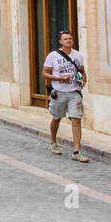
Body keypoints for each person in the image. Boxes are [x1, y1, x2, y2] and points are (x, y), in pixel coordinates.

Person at [43, 30, 89, 163]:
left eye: (70, 38)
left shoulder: (78, 55)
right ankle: (53, 141)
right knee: (57, 118)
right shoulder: (53, 56)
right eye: (66, 39)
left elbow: (81, 70)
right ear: (60, 41)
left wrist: (84, 80)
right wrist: (59, 78)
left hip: (75, 92)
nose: (69, 40)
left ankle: (76, 151)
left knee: (76, 119)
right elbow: (44, 73)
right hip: (58, 92)